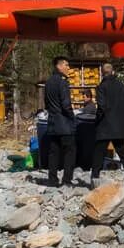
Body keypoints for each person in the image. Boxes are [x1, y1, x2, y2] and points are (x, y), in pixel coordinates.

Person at [89, 62, 124, 192]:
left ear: (102, 73)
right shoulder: (121, 86)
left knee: (98, 155)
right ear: (112, 72)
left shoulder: (101, 87)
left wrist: (97, 121)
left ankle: (94, 182)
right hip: (119, 127)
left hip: (105, 127)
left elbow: (101, 107)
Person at [41, 56, 78, 187]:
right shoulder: (62, 82)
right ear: (59, 66)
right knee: (70, 152)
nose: (69, 68)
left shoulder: (49, 82)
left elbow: (46, 103)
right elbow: (66, 104)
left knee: (53, 152)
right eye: (66, 65)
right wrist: (72, 117)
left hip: (52, 122)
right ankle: (67, 180)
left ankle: (52, 179)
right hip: (64, 123)